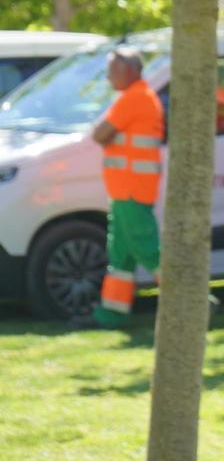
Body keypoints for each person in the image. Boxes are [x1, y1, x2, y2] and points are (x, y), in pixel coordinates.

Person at [78, 48, 164, 328]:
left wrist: (105, 134)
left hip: (132, 190)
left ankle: (194, 303)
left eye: (112, 71)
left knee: (149, 251)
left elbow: (100, 133)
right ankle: (111, 314)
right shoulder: (137, 96)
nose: (108, 77)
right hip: (126, 190)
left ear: (129, 71)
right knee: (121, 256)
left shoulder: (135, 97)